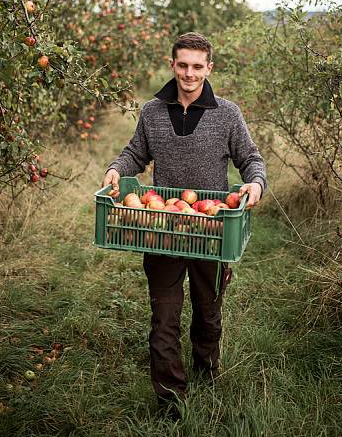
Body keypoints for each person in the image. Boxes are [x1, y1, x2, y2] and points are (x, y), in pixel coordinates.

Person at [102, 32, 266, 416]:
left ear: (209, 68)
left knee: (208, 311)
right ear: (172, 64)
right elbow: (134, 154)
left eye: (197, 66)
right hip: (164, 226)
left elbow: (251, 159)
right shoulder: (152, 112)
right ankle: (171, 401)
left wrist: (256, 183)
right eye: (183, 65)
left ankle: (206, 371)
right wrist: (115, 169)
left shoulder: (227, 114)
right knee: (164, 317)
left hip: (212, 229)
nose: (189, 74)